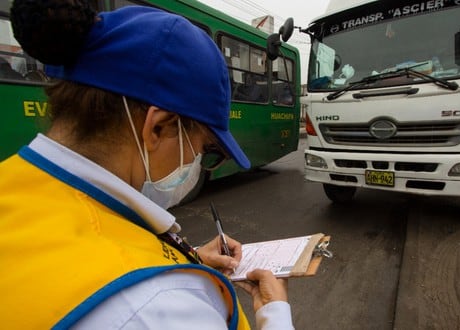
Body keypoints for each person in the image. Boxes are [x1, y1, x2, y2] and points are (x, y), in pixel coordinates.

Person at [0, 1, 293, 329]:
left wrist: (187, 258)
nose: (199, 164)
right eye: (207, 150)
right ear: (160, 127)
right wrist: (275, 314)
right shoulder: (159, 306)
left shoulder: (13, 185)